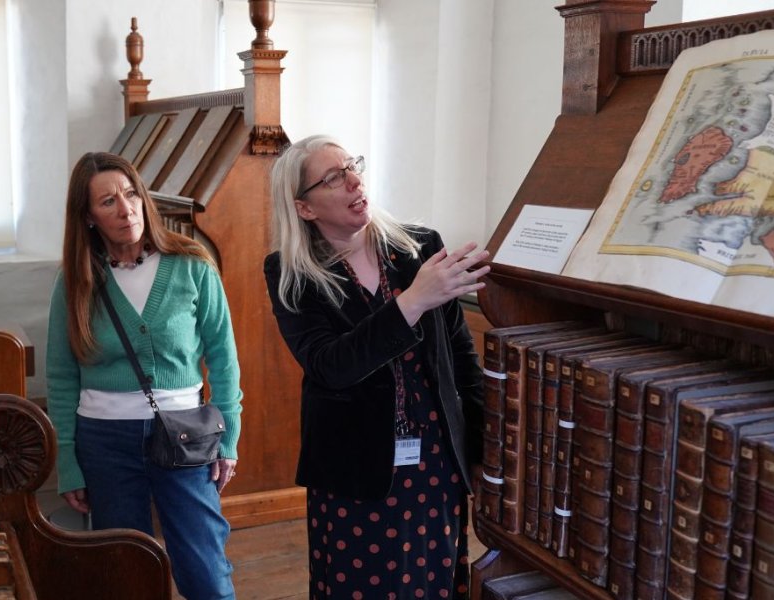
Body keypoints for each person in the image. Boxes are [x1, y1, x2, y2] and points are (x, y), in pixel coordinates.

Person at [263, 135, 488, 599]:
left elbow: (463, 362)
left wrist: (480, 454)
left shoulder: (420, 248)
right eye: (332, 177)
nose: (353, 181)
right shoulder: (290, 272)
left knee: (431, 584)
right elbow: (329, 367)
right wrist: (410, 303)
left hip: (434, 461)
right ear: (305, 208)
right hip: (354, 471)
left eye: (352, 166)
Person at [46, 152, 242, 599]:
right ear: (88, 216)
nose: (126, 208)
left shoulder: (192, 264)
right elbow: (60, 376)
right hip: (104, 441)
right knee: (125, 573)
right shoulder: (76, 280)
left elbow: (224, 362)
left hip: (185, 437)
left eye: (131, 193)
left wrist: (228, 439)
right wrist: (69, 463)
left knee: (206, 569)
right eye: (108, 201)